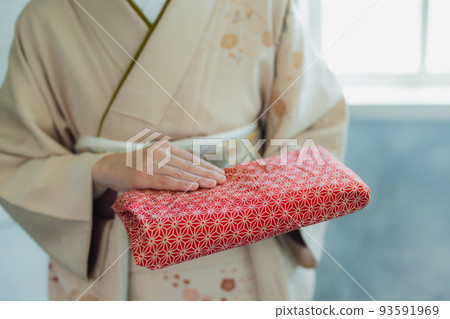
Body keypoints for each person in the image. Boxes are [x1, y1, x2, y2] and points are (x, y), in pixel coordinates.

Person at [0, 0, 347, 301]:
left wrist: (245, 192)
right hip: (118, 255)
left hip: (246, 248)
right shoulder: (45, 18)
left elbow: (316, 121)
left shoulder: (266, 5)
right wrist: (102, 169)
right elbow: (15, 159)